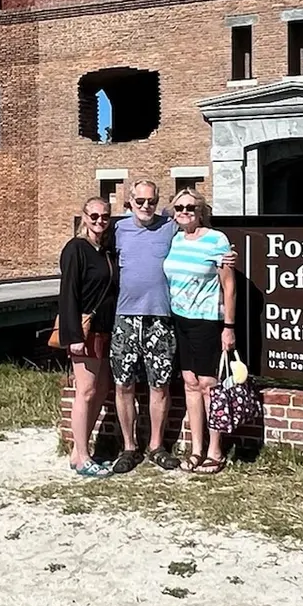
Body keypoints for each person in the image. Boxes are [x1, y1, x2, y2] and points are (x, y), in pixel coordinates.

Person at [110, 179, 179, 474]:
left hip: (160, 318)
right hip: (125, 317)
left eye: (151, 201)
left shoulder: (170, 227)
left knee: (159, 385)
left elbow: (197, 234)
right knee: (124, 384)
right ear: (130, 202)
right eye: (140, 201)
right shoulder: (117, 230)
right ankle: (128, 447)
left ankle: (156, 446)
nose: (146, 206)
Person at [163, 192, 236, 474]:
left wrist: (228, 327)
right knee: (190, 383)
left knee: (210, 385)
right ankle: (196, 449)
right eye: (179, 207)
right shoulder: (176, 239)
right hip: (180, 319)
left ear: (201, 210)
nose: (184, 211)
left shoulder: (216, 240)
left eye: (190, 207)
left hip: (207, 321)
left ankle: (215, 451)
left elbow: (229, 287)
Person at [58, 197, 119, 477]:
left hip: (105, 329)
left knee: (102, 388)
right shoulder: (76, 249)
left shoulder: (106, 251)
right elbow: (67, 294)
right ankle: (83, 456)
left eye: (104, 217)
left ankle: (78, 452)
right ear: (84, 217)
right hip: (84, 330)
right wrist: (72, 336)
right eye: (94, 216)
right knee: (86, 391)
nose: (99, 221)